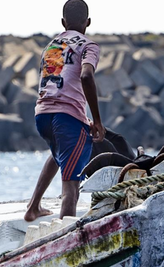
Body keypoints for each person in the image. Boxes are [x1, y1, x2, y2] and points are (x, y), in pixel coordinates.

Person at [24, 0, 104, 222]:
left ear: (63, 22)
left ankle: (33, 207)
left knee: (58, 153)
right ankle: (66, 237)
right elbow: (86, 76)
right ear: (87, 23)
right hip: (66, 118)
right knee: (71, 186)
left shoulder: (51, 45)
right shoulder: (89, 45)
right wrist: (96, 120)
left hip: (42, 116)